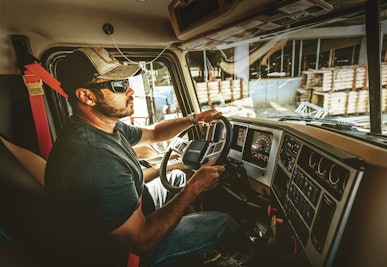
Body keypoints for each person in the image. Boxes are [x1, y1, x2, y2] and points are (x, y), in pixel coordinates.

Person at [44, 47, 251, 267]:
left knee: (177, 179)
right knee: (224, 223)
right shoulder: (94, 158)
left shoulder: (103, 127)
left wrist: (195, 118)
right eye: (119, 85)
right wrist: (195, 187)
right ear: (87, 96)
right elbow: (140, 241)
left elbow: (155, 133)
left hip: (129, 219)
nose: (131, 91)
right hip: (126, 255)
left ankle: (192, 253)